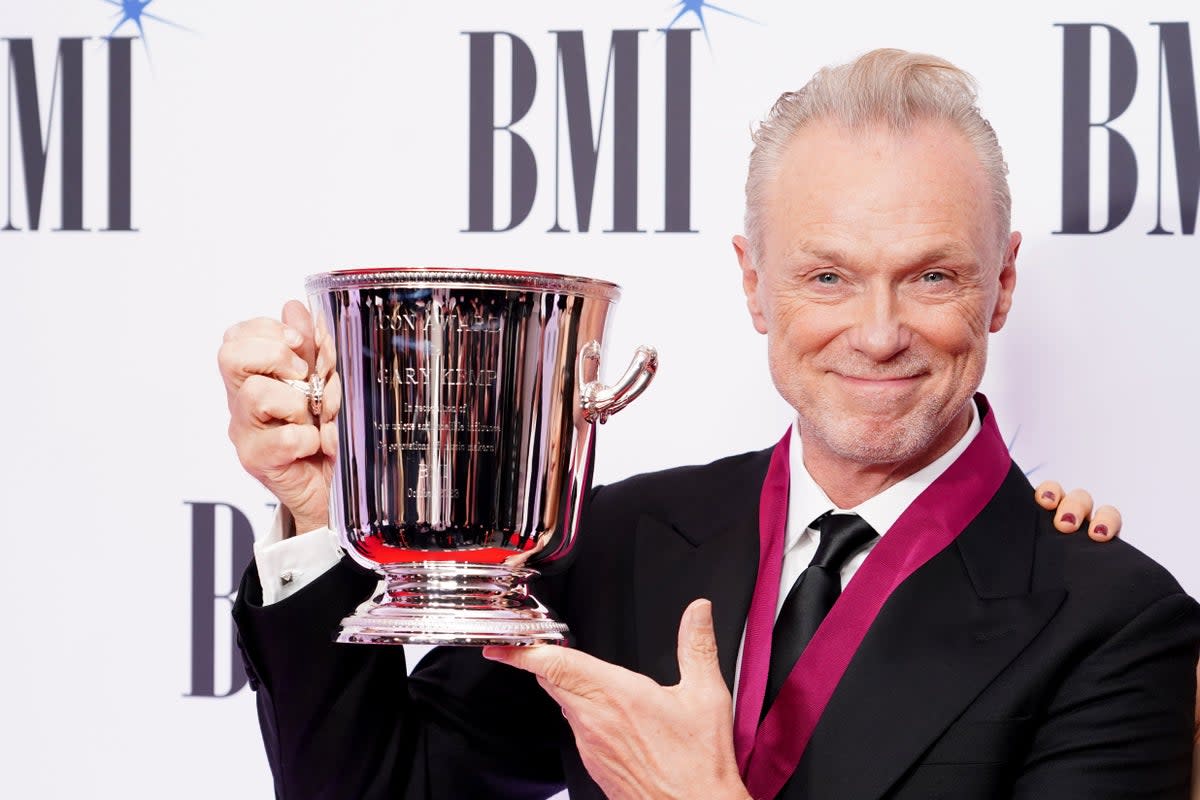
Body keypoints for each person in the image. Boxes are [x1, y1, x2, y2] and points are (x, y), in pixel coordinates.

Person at [223, 50, 1197, 799]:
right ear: (753, 283)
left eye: (931, 275)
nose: (879, 331)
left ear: (1003, 285)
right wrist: (317, 510)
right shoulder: (613, 542)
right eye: (828, 275)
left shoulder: (1118, 621)